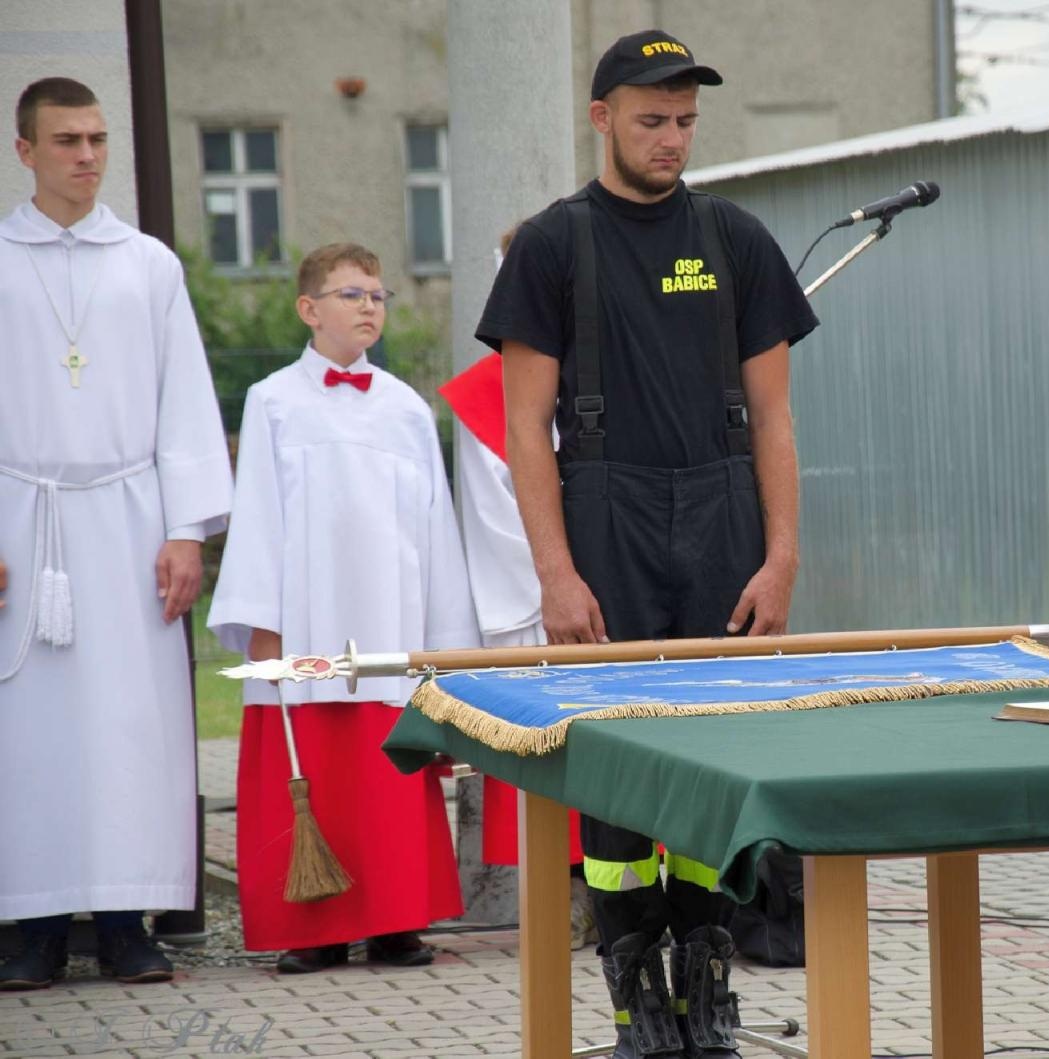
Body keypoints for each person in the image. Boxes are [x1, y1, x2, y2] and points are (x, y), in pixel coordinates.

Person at [476, 29, 818, 1059]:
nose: (670, 139)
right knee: (618, 770)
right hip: (605, 515)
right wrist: (555, 573)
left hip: (722, 514)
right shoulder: (551, 245)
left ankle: (708, 981)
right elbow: (522, 428)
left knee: (717, 754)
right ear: (601, 119)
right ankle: (637, 998)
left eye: (682, 122)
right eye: (649, 120)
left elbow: (776, 421)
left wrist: (782, 555)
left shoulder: (735, 239)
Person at [0, 77, 233, 989]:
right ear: (25, 151)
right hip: (23, 515)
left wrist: (186, 531)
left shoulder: (148, 264)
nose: (88, 156)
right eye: (66, 141)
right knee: (32, 729)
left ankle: (130, 920)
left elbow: (185, 403)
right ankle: (36, 925)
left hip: (131, 520)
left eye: (97, 139)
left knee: (133, 725)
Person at [207, 242, 479, 974]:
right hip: (308, 621)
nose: (369, 306)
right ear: (308, 308)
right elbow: (259, 512)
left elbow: (434, 525)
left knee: (385, 773)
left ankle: (396, 922)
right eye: (352, 293)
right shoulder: (273, 400)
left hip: (391, 623)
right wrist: (262, 615)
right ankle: (317, 927)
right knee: (316, 776)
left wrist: (447, 646)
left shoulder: (406, 408)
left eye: (379, 295)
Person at [438, 223, 595, 950]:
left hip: (613, 589)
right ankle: (559, 894)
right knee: (549, 757)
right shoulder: (480, 394)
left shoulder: (605, 362)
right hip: (541, 603)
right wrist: (551, 586)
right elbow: (493, 509)